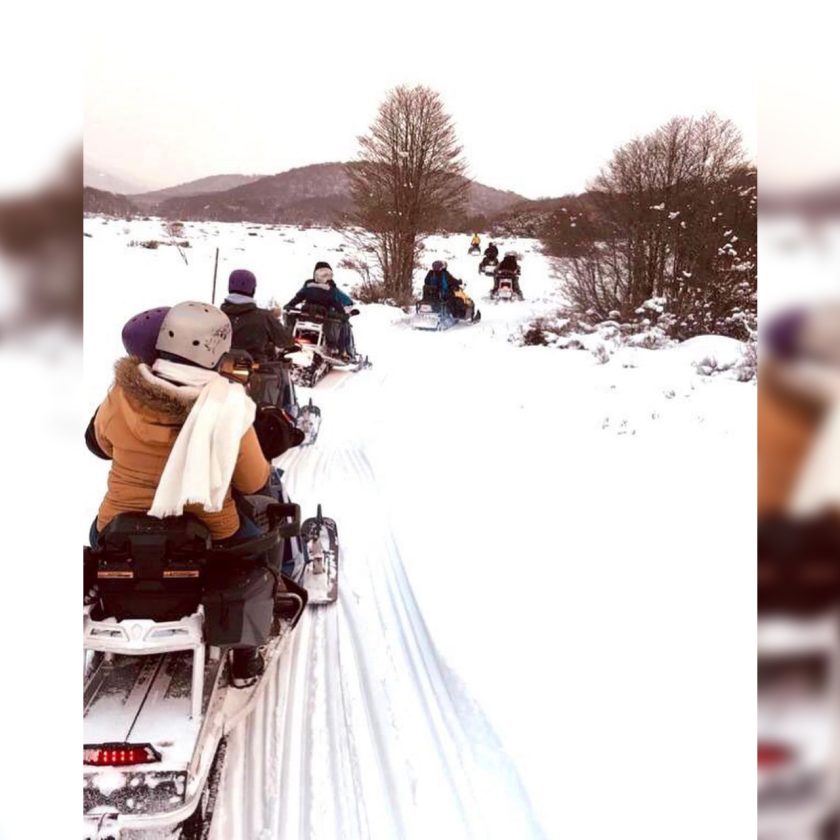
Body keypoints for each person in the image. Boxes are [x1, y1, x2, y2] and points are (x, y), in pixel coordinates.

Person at [88, 301, 274, 686]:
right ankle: (245, 656)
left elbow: (101, 444)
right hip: (207, 528)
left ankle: (114, 602)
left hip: (118, 525)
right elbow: (254, 482)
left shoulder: (121, 394)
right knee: (258, 553)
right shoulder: (229, 406)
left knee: (97, 537)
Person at [221, 269, 296, 362]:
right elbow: (285, 341)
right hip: (254, 369)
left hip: (218, 367)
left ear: (229, 287)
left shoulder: (216, 315)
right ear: (253, 290)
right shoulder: (264, 317)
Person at [285, 262, 353, 358]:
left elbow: (297, 298)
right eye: (323, 274)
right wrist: (343, 314)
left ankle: (342, 351)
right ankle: (343, 352)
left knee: (342, 324)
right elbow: (342, 303)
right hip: (324, 319)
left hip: (307, 317)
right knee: (343, 324)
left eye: (328, 274)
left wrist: (289, 305)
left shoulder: (308, 286)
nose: (326, 277)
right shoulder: (330, 290)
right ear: (316, 274)